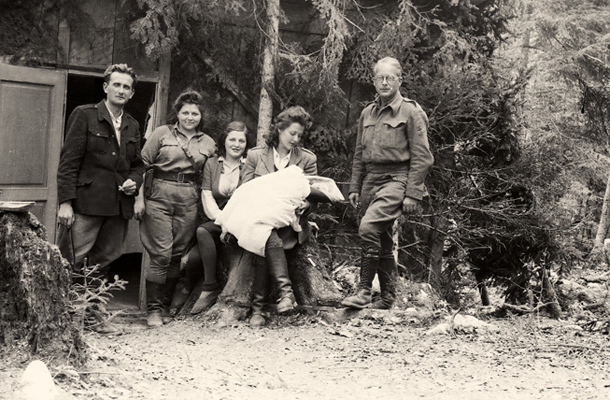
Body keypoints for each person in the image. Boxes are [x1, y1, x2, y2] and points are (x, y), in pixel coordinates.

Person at [56, 63, 144, 334]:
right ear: (105, 87)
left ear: (131, 94)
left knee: (103, 261)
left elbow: (138, 165)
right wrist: (65, 202)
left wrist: (135, 181)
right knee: (69, 259)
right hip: (86, 203)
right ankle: (60, 319)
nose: (121, 90)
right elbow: (69, 161)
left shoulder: (132, 125)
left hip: (118, 208)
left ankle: (92, 317)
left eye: (126, 87)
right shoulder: (85, 115)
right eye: (116, 84)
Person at [341, 57, 434, 310]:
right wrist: (354, 187)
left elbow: (422, 156)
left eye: (389, 78)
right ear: (373, 81)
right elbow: (359, 153)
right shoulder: (367, 113)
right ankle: (388, 298)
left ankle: (363, 291)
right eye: (379, 78)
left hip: (398, 179)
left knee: (368, 228)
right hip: (371, 180)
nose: (384, 82)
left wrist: (413, 193)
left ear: (399, 80)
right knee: (380, 237)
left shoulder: (411, 112)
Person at [135, 90, 216, 327]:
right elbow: (140, 165)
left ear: (201, 117)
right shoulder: (162, 133)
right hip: (159, 194)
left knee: (176, 256)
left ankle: (165, 307)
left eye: (195, 113)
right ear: (177, 114)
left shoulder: (208, 143)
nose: (190, 117)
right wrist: (139, 199)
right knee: (161, 254)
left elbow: (216, 172)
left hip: (188, 198)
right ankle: (153, 311)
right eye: (186, 112)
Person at [242, 106, 317, 327]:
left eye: (299, 135)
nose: (295, 139)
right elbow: (244, 190)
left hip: (290, 222)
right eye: (291, 133)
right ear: (279, 129)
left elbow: (313, 194)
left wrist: (306, 204)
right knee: (267, 235)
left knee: (270, 237)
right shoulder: (256, 155)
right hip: (258, 218)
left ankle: (258, 309)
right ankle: (285, 294)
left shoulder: (306, 159)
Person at [173, 121, 250, 314]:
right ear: (224, 141)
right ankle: (188, 287)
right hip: (216, 218)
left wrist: (231, 223)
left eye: (241, 140)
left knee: (202, 231)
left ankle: (209, 288)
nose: (236, 144)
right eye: (232, 139)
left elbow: (250, 197)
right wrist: (223, 222)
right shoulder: (212, 163)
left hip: (241, 218)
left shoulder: (249, 165)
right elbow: (207, 196)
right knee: (194, 259)